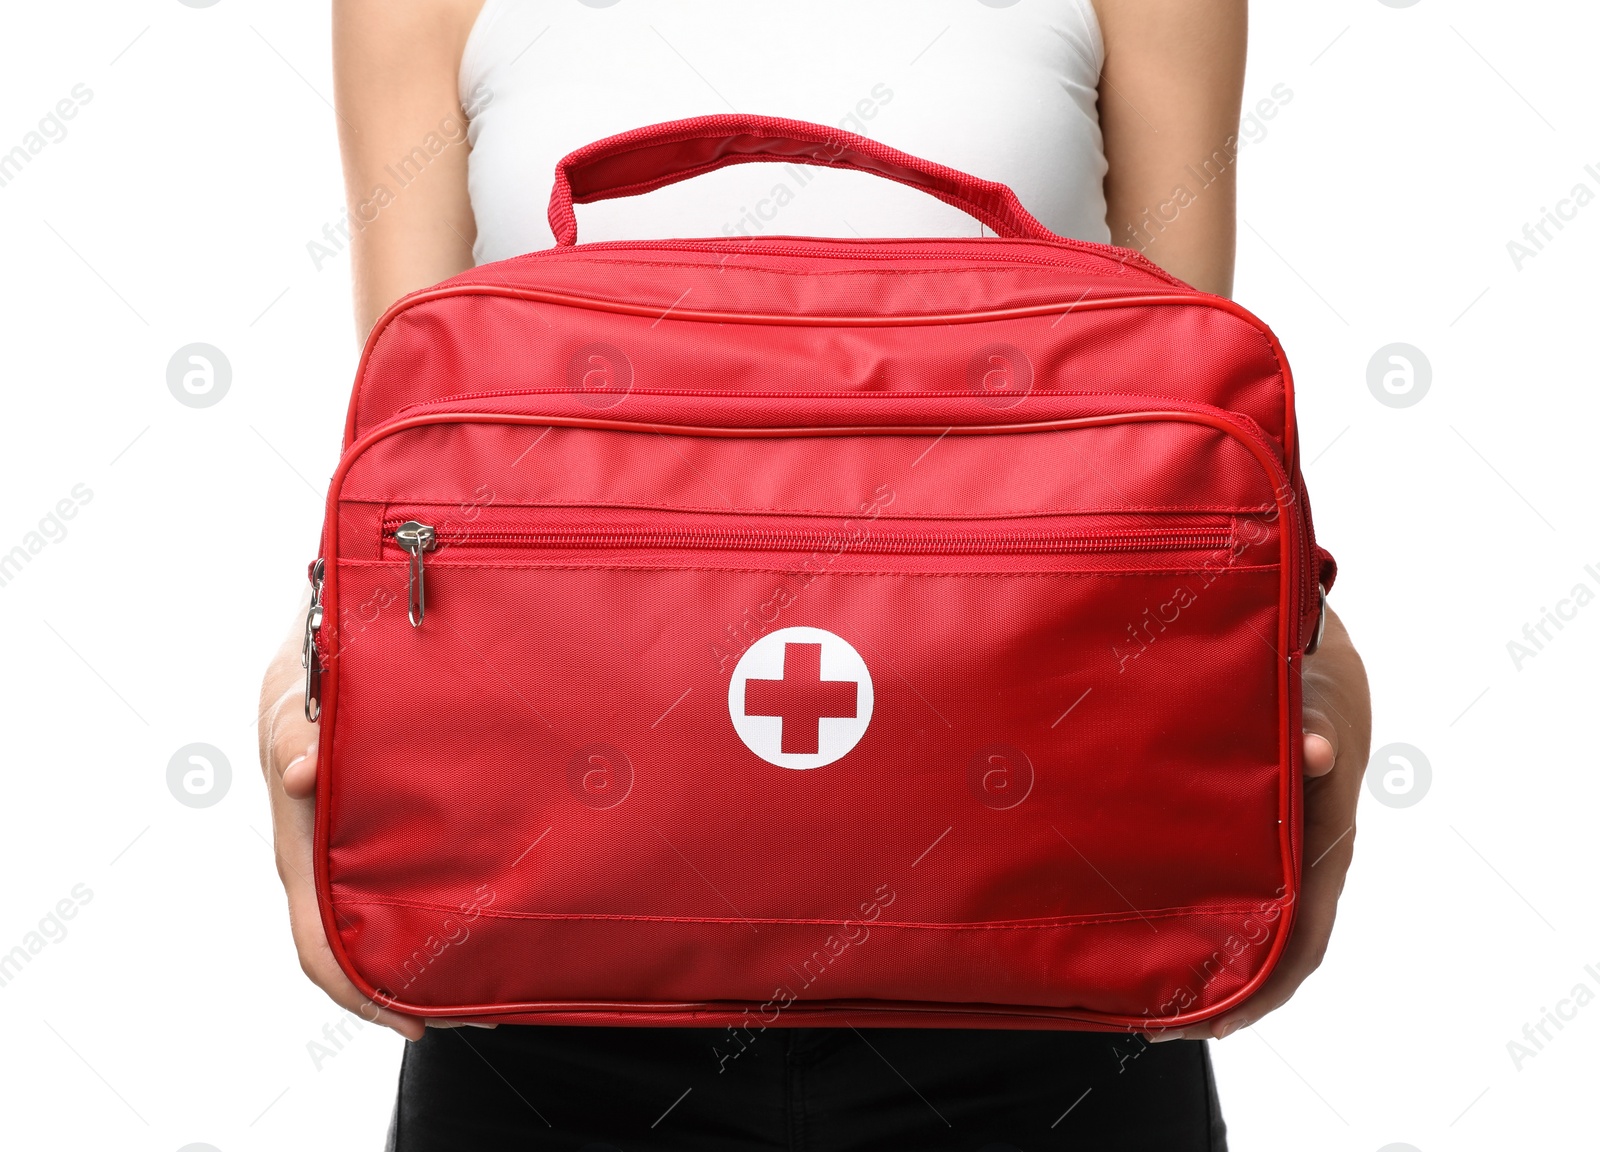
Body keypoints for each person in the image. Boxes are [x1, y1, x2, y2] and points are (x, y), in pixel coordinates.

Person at [258, 2, 1372, 1147]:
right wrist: (306, 710)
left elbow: (1189, 460)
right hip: (542, 982)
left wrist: (1324, 683)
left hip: (1051, 972)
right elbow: (410, 474)